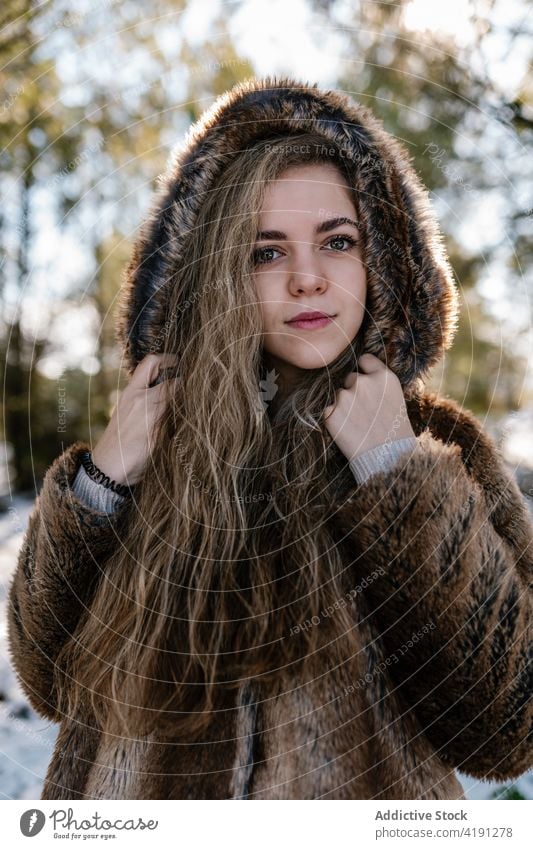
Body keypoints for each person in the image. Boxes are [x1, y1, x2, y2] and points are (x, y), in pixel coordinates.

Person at [8, 75, 533, 801]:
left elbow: (506, 730)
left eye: (337, 241)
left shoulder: (436, 449)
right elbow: (49, 679)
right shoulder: (153, 436)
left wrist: (393, 472)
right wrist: (102, 483)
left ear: (380, 260)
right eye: (266, 252)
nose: (308, 279)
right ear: (220, 270)